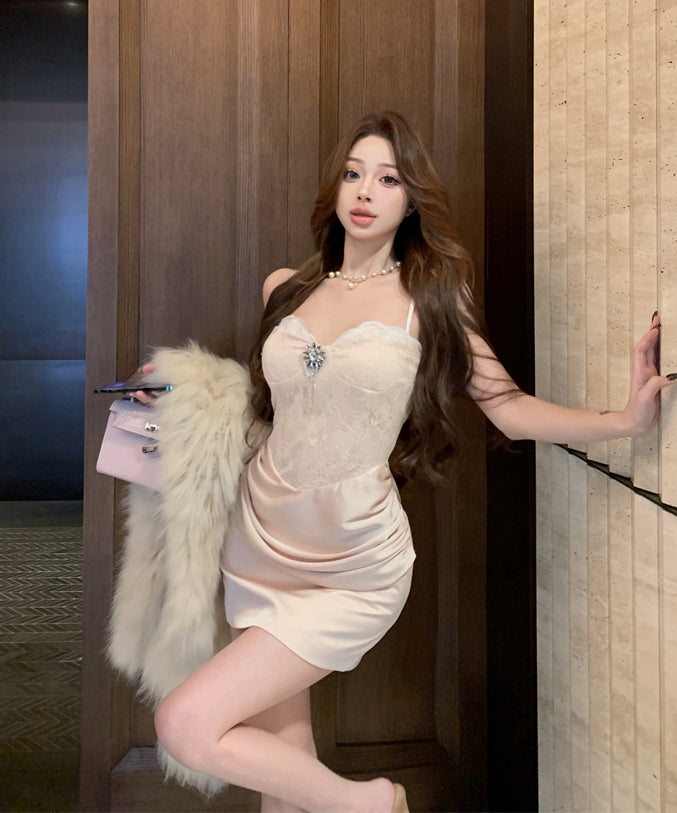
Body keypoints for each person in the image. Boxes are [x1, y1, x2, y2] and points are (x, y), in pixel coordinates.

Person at [133, 111, 672, 813]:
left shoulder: (431, 300)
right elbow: (268, 405)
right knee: (284, 779)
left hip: (351, 562)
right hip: (258, 545)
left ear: (411, 199)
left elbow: (507, 406)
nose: (365, 191)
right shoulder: (285, 288)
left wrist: (622, 421)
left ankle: (373, 803)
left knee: (184, 723)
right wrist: (177, 388)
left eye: (388, 179)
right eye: (353, 173)